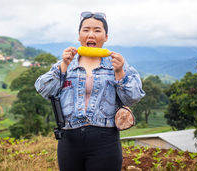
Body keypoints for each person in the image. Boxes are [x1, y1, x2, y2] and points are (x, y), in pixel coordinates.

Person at [35, 11, 145, 171]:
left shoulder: (116, 64)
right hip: (69, 139)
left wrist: (120, 72)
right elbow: (43, 89)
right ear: (79, 36)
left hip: (105, 140)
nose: (91, 34)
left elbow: (133, 98)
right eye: (86, 30)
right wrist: (63, 67)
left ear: (106, 37)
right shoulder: (67, 63)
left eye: (97, 30)